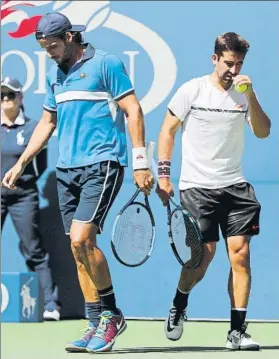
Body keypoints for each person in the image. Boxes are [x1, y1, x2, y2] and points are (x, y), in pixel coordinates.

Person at [2, 12, 154, 353]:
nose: (50, 53)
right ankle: (94, 321)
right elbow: (46, 122)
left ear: (71, 37)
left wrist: (141, 161)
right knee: (77, 247)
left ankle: (112, 315)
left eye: (54, 46)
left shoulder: (106, 64)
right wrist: (22, 163)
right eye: (44, 48)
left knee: (83, 236)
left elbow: (133, 109)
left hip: (102, 163)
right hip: (67, 169)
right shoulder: (57, 75)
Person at [156, 32, 271, 350]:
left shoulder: (243, 93)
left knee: (242, 255)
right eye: (229, 63)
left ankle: (237, 332)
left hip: (235, 187)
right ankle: (180, 303)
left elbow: (263, 132)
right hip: (196, 187)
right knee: (202, 257)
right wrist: (164, 176)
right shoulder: (191, 90)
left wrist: (251, 96)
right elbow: (167, 130)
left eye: (239, 64)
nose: (233, 70)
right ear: (215, 59)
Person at [1, 77, 60, 321]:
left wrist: (20, 181)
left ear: (20, 98)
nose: (5, 100)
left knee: (34, 249)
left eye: (10, 95)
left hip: (23, 197)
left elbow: (39, 167)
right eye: (2, 96)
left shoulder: (33, 127)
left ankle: (51, 305)